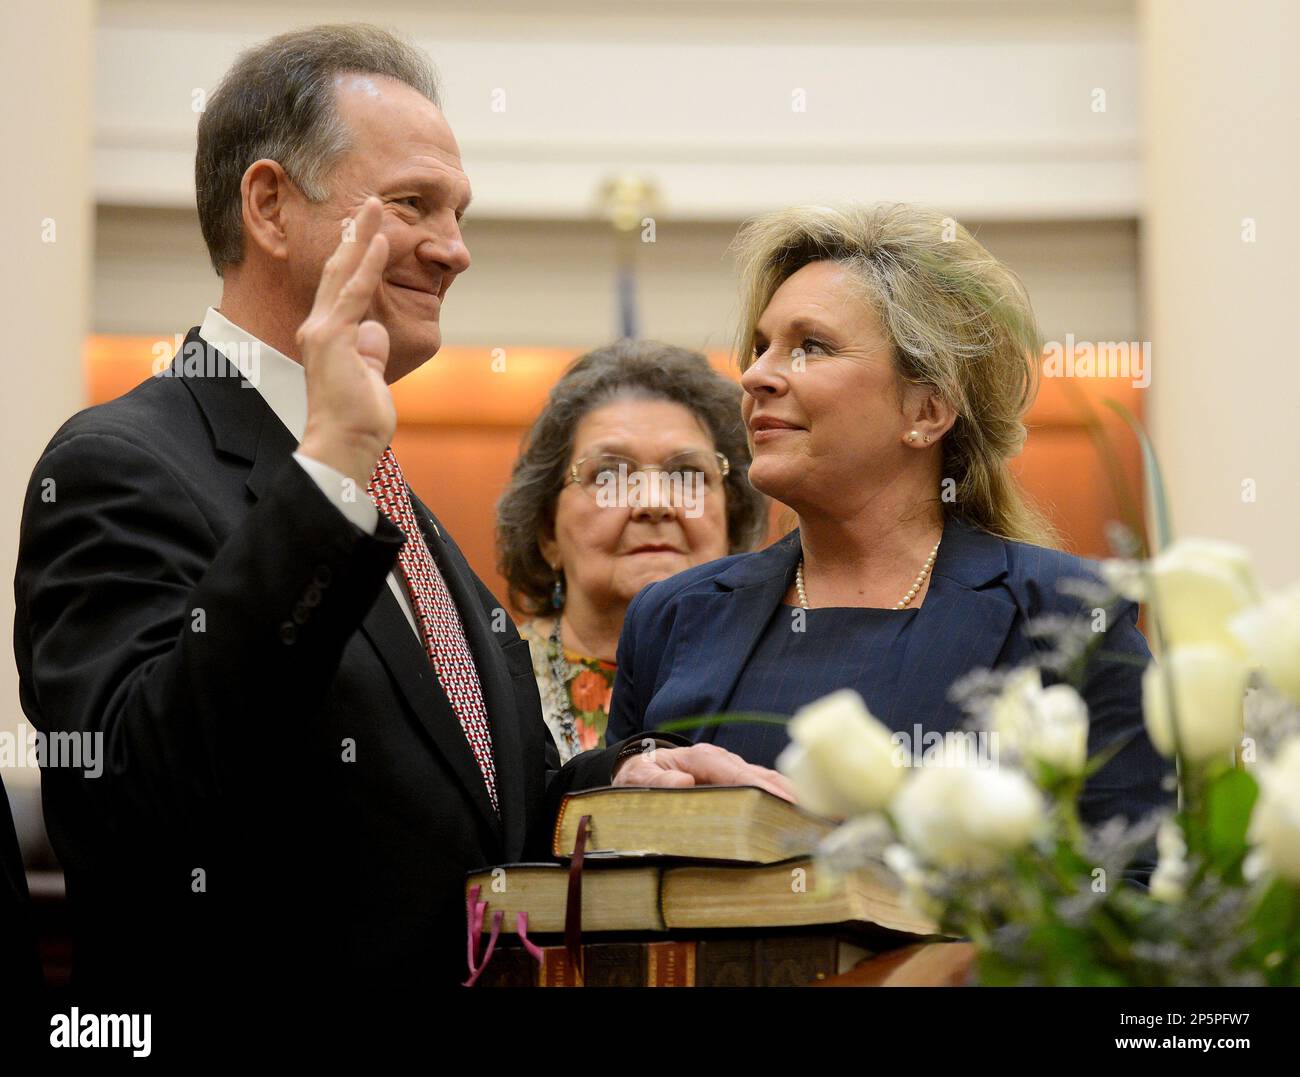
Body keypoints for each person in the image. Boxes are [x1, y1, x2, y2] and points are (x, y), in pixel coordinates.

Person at [12, 24, 790, 992]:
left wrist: (611, 786)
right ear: (269, 206)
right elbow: (134, 802)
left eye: (458, 212)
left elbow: (474, 817)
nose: (455, 251)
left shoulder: (395, 510)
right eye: (414, 205)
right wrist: (332, 466)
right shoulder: (122, 465)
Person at [608, 202, 1172, 841]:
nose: (756, 375)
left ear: (926, 411)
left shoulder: (1066, 617)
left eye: (809, 347)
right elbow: (601, 871)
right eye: (762, 347)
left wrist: (907, 913)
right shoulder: (672, 617)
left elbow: (1130, 892)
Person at [497, 340, 768, 762]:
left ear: (731, 517)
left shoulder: (785, 677)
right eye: (609, 475)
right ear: (547, 531)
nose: (654, 503)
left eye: (688, 473)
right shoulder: (483, 688)